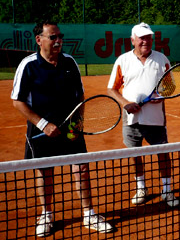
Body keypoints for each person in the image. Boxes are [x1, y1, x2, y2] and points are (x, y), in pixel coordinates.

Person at [11, 20, 113, 237]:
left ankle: (89, 214)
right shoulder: (28, 65)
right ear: (39, 40)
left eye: (60, 37)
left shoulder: (69, 62)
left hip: (70, 129)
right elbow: (17, 101)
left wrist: (77, 123)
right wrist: (43, 124)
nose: (58, 41)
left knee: (81, 170)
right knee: (45, 172)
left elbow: (80, 96)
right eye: (53, 37)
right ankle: (46, 215)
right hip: (41, 131)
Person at [107, 22, 179, 207]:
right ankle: (141, 188)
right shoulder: (122, 60)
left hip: (156, 119)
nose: (145, 41)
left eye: (148, 37)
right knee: (135, 155)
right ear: (133, 40)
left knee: (163, 154)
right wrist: (126, 104)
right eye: (141, 37)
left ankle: (167, 190)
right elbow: (112, 89)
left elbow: (170, 86)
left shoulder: (162, 59)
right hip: (131, 119)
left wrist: (161, 95)